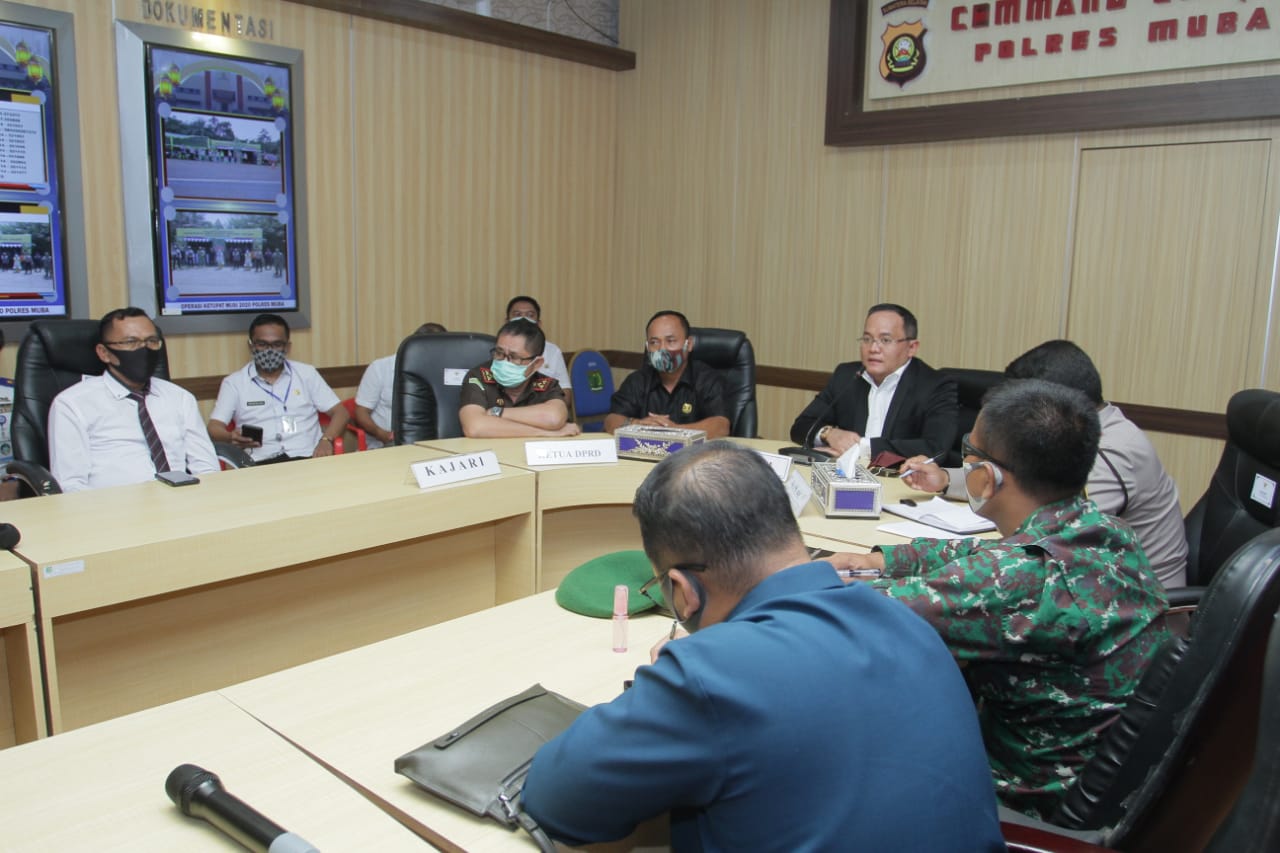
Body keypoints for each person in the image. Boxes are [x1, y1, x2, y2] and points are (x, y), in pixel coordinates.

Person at [522, 442, 1004, 850]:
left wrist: (663, 688)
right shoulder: (908, 621)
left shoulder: (709, 675)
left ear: (684, 592)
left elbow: (555, 799)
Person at [833, 379, 1170, 819]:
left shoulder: (1015, 580)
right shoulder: (1104, 530)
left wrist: (809, 575)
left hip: (1023, 800)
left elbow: (856, 613)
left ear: (987, 475)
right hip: (1106, 779)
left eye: (968, 451)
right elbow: (977, 553)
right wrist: (876, 559)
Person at [901, 340, 1189, 587]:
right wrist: (948, 479)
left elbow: (1043, 536)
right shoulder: (1087, 429)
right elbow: (1026, 481)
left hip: (1130, 607)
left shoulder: (1110, 452)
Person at [49, 307, 219, 492]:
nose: (144, 349)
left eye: (151, 341)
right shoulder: (73, 404)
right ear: (104, 352)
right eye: (131, 342)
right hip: (113, 510)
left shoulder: (180, 398)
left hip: (181, 503)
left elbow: (207, 468)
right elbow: (70, 485)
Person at [790, 303, 958, 460]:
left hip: (901, 481)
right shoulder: (847, 375)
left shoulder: (936, 385)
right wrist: (830, 434)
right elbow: (800, 427)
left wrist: (859, 448)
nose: (873, 349)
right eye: (867, 339)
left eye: (885, 340)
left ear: (911, 347)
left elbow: (936, 448)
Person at [207, 314, 349, 463]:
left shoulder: (306, 374)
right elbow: (214, 427)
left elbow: (341, 413)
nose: (269, 351)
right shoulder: (234, 383)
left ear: (287, 347)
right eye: (262, 344)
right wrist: (231, 437)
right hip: (259, 462)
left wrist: (326, 440)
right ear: (251, 346)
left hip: (308, 456)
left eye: (277, 345)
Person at [603, 310, 730, 438]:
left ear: (689, 344)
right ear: (647, 347)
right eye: (654, 342)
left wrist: (674, 431)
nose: (662, 349)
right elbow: (611, 420)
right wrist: (636, 425)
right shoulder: (637, 380)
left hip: (694, 455)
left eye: (671, 341)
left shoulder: (708, 379)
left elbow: (721, 426)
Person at [457, 319, 581, 438]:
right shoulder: (478, 377)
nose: (504, 362)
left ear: (536, 364)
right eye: (499, 353)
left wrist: (497, 412)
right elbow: (475, 427)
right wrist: (545, 433)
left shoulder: (546, 385)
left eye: (514, 357)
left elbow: (554, 418)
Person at [352, 322, 447, 448]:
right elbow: (361, 412)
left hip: (433, 440)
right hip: (387, 442)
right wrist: (382, 434)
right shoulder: (380, 368)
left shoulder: (444, 368)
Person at [505, 296, 571, 389]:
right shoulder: (498, 351)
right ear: (507, 322)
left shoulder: (552, 351)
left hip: (546, 403)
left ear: (538, 324)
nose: (523, 320)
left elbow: (565, 392)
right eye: (517, 314)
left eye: (530, 315)